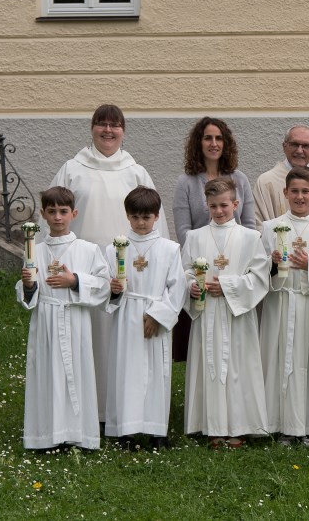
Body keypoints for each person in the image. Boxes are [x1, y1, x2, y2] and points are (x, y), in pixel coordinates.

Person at [47, 104, 169, 423]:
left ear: (123, 131)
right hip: (82, 270)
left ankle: (120, 411)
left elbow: (156, 224)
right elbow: (56, 217)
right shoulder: (72, 169)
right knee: (87, 338)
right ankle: (88, 410)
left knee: (122, 342)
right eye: (101, 124)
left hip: (129, 273)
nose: (108, 130)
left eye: (114, 125)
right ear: (92, 128)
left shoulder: (136, 172)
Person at [18, 186, 110, 450]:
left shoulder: (88, 250)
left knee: (77, 374)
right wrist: (28, 285)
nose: (58, 217)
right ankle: (47, 435)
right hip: (46, 321)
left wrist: (75, 281)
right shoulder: (34, 250)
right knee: (47, 374)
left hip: (75, 319)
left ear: (74, 214)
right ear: (43, 215)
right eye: (52, 211)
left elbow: (104, 285)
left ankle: (78, 434)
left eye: (63, 211)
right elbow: (28, 292)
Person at [181, 177, 271, 449]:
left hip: (237, 315)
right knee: (209, 366)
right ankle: (212, 426)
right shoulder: (194, 237)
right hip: (207, 312)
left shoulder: (251, 237)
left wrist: (228, 286)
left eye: (224, 205)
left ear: (236, 204)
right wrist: (191, 287)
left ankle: (239, 426)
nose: (219, 211)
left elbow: (260, 277)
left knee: (238, 367)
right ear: (206, 206)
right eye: (213, 206)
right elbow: (184, 271)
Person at [260, 167, 309, 448]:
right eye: (294, 191)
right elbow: (256, 269)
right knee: (279, 360)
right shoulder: (269, 227)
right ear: (285, 192)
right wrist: (271, 263)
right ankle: (281, 425)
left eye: (305, 191)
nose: (299, 196)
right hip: (280, 303)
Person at [103, 186, 186, 450]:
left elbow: (178, 287)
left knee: (156, 372)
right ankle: (125, 431)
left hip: (155, 316)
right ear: (128, 216)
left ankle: (156, 430)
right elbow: (105, 284)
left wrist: (157, 315)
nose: (141, 223)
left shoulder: (169, 249)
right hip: (126, 314)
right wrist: (113, 289)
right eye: (135, 217)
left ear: (157, 216)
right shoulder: (115, 248)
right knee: (126, 370)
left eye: (146, 217)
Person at [172, 117, 256, 363]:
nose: (213, 143)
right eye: (208, 138)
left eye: (219, 138)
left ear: (226, 143)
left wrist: (234, 272)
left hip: (235, 264)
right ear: (198, 143)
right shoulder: (186, 182)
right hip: (203, 268)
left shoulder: (240, 179)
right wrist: (202, 271)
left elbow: (249, 224)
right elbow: (184, 230)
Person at [252, 125, 309, 249]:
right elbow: (259, 230)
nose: (300, 151)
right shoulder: (266, 182)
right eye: (294, 144)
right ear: (284, 146)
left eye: (306, 146)